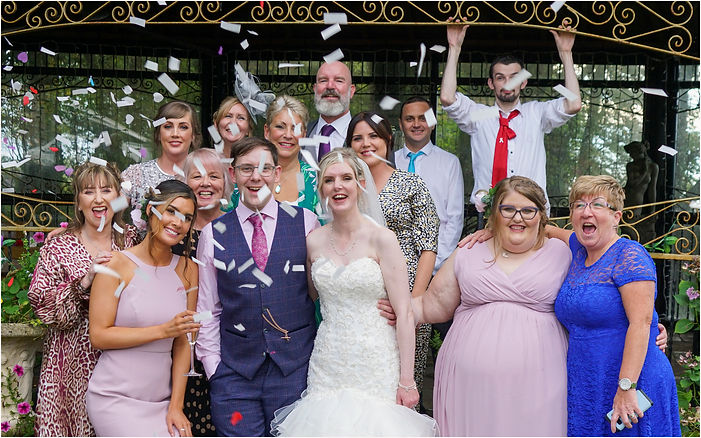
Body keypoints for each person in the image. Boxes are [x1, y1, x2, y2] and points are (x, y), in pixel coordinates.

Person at [270, 149, 438, 436]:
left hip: (377, 361)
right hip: (328, 363)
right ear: (321, 189)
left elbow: (405, 313)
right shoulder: (313, 241)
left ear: (360, 183)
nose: (338, 186)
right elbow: (309, 297)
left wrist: (407, 380)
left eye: (346, 178)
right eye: (329, 180)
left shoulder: (382, 239)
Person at [410, 176, 572, 436]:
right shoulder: (469, 250)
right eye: (508, 209)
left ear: (542, 215)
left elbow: (599, 253)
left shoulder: (562, 253)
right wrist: (390, 309)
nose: (518, 218)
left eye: (528, 210)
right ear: (495, 212)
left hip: (540, 383)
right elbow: (430, 307)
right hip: (469, 389)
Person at [195, 137, 320, 436]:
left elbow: (320, 293)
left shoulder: (307, 223)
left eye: (264, 168)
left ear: (276, 174)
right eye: (246, 168)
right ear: (233, 174)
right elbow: (208, 309)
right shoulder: (213, 234)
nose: (255, 177)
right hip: (234, 377)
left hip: (295, 372)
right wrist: (215, 369)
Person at [551, 175, 680, 436]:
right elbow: (540, 228)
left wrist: (626, 388)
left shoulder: (629, 255)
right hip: (587, 379)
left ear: (616, 217)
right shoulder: (578, 248)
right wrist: (491, 232)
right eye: (579, 205)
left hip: (632, 381)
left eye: (598, 204)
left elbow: (641, 323)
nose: (586, 212)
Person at [28, 161, 139, 437]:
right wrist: (85, 281)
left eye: (106, 190)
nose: (98, 199)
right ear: (78, 202)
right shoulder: (58, 246)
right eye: (89, 192)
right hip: (70, 367)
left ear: (118, 198)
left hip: (122, 364)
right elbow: (43, 306)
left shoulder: (132, 241)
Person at [86, 180, 200, 436]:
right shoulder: (116, 264)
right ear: (151, 210)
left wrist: (176, 407)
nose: (178, 222)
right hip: (114, 398)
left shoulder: (189, 269)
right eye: (171, 211)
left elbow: (185, 342)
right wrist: (163, 331)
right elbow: (99, 336)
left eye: (187, 217)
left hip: (162, 403)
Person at [346, 111, 440, 404]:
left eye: (373, 136)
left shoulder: (411, 185)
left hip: (406, 296)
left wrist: (413, 304)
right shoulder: (347, 188)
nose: (366, 144)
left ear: (388, 139)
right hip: (363, 301)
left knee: (403, 388)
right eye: (358, 138)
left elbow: (428, 246)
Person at [440, 20, 582, 211]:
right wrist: (454, 48)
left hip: (532, 210)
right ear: (491, 83)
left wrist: (566, 53)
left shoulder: (537, 113)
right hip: (491, 212)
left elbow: (573, 104)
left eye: (514, 78)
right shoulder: (479, 116)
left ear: (523, 83)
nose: (507, 83)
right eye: (500, 78)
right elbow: (447, 98)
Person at [175, 148, 233, 437]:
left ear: (226, 182)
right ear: (185, 182)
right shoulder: (172, 231)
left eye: (214, 176)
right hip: (176, 348)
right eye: (196, 176)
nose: (205, 183)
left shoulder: (236, 229)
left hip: (224, 348)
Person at [394, 96, 464, 274]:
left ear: (432, 123)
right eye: (409, 119)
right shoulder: (389, 162)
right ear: (401, 124)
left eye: (423, 118)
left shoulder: (450, 162)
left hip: (436, 263)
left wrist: (434, 262)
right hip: (393, 263)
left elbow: (454, 219)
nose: (416, 124)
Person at [122, 101, 203, 210]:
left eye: (183, 127)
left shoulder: (204, 176)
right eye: (168, 126)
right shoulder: (136, 174)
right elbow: (113, 207)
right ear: (158, 134)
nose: (175, 134)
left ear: (193, 135)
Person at [263, 95, 318, 212]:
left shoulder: (315, 180)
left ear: (304, 135)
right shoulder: (248, 174)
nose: (288, 135)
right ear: (267, 131)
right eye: (280, 127)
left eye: (296, 129)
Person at [306, 61, 355, 160]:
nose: (330, 86)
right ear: (315, 89)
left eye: (339, 81)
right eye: (323, 80)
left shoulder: (367, 137)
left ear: (351, 91)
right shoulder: (301, 134)